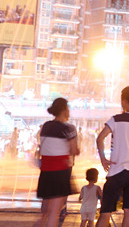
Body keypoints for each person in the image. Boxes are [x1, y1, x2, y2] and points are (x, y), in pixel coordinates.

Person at [95, 86, 129, 227]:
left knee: (105, 211)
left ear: (124, 101)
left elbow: (100, 138)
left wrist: (103, 159)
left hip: (118, 170)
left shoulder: (116, 120)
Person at [37, 97, 80, 227]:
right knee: (54, 213)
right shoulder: (68, 128)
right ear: (64, 110)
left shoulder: (45, 126)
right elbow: (75, 150)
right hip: (60, 173)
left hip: (45, 172)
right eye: (68, 109)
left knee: (45, 211)